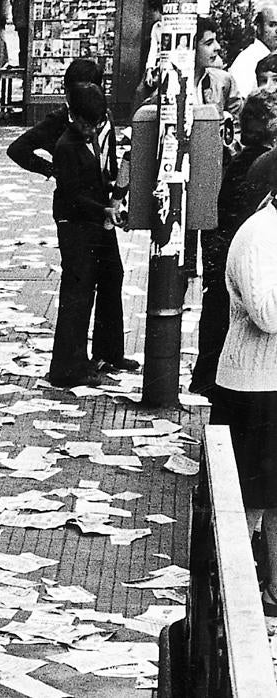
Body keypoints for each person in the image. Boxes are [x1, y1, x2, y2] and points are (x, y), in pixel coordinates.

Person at [211, 163, 277, 611]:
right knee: (246, 503)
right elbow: (267, 315)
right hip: (251, 387)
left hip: (270, 384)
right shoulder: (260, 236)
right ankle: (229, 599)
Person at [47, 82, 134, 388]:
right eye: (84, 124)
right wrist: (103, 210)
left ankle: (108, 350)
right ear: (73, 116)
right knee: (79, 292)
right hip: (77, 223)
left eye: (93, 124)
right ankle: (68, 366)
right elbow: (71, 195)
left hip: (96, 218)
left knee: (113, 275)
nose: (89, 130)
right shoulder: (66, 146)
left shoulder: (93, 137)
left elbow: (97, 179)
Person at [191, 91, 277, 396]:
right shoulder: (261, 162)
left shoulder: (249, 158)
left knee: (218, 314)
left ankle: (206, 376)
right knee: (223, 318)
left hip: (226, 250)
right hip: (236, 254)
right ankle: (208, 378)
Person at [6, 58, 104, 178]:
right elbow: (17, 149)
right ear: (68, 92)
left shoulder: (105, 116)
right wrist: (53, 170)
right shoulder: (58, 120)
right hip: (71, 193)